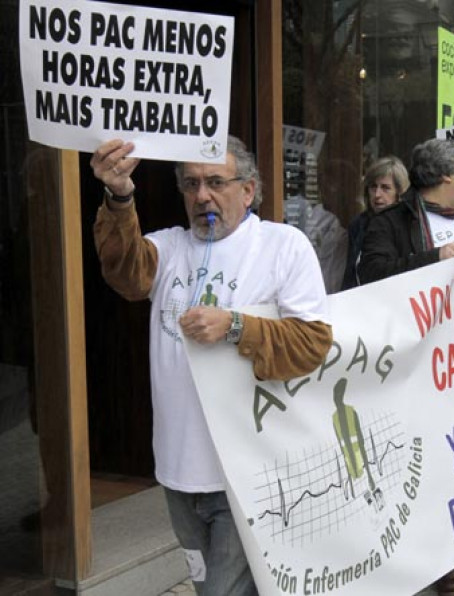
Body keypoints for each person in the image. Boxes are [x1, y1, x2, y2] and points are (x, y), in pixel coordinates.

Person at [91, 136, 332, 595]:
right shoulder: (167, 248)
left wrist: (237, 326)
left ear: (248, 189)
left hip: (248, 473)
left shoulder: (283, 246)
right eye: (192, 184)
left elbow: (312, 344)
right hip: (178, 471)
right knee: (209, 586)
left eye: (216, 182)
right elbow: (124, 271)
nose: (202, 195)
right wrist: (120, 195)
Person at [357, 138, 454, 596]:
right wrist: (431, 261)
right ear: (445, 176)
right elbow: (373, 277)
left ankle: (451, 539)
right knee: (423, 463)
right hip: (417, 365)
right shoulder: (389, 222)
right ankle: (436, 559)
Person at [342, 156, 409, 290]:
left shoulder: (408, 223)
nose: (377, 194)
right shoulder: (359, 223)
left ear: (399, 192)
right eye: (373, 187)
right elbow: (350, 271)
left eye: (385, 188)